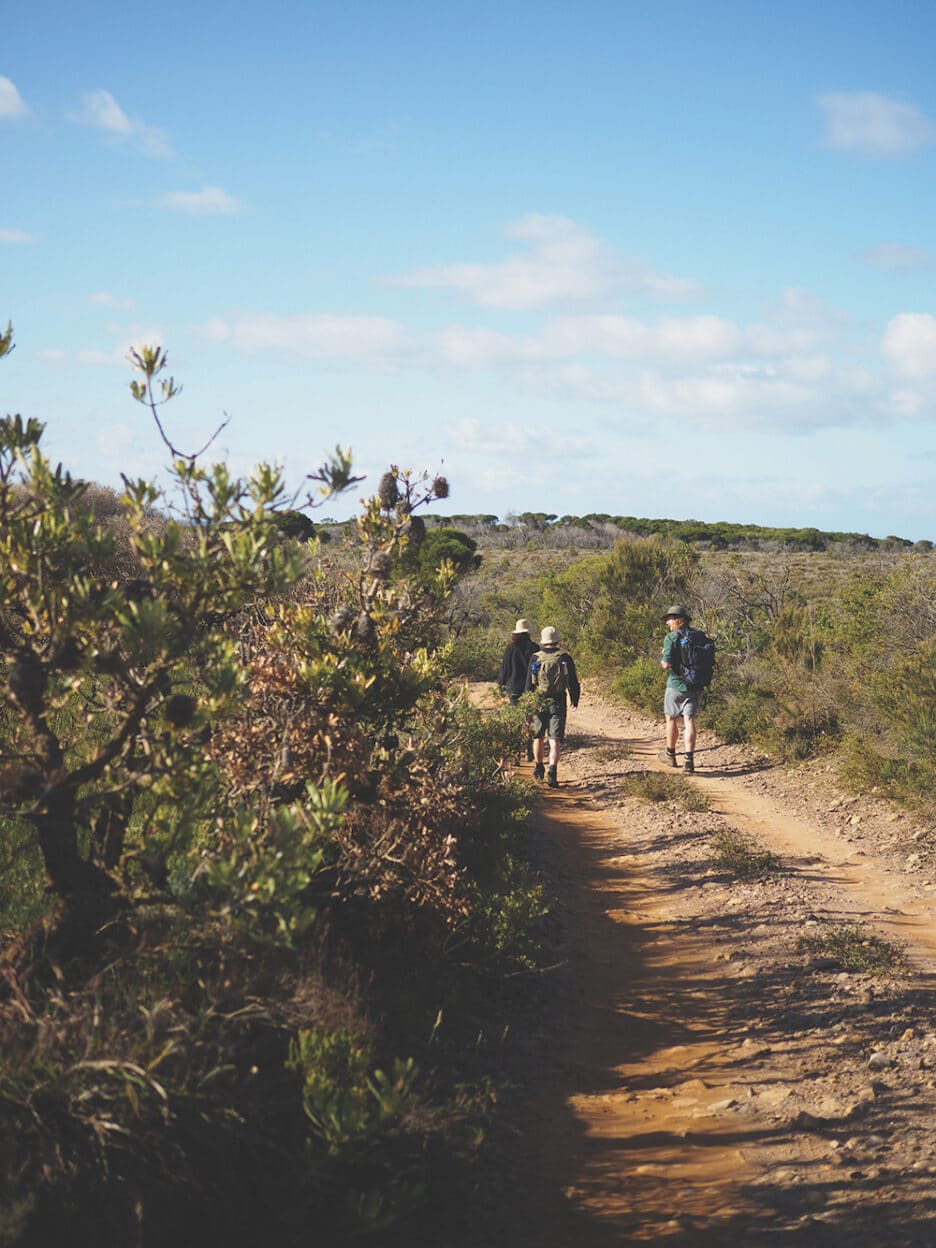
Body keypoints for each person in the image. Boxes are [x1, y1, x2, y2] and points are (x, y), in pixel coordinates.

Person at [525, 625, 580, 788]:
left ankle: (538, 767)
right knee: (554, 739)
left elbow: (529, 684)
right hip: (558, 701)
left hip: (538, 701)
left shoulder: (535, 657)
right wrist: (574, 699)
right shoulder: (565, 658)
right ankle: (553, 772)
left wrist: (527, 705)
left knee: (538, 737)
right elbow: (573, 682)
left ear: (543, 641)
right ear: (557, 640)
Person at [659, 604, 697, 773]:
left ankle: (670, 755)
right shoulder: (697, 636)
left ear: (677, 620)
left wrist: (664, 656)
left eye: (670, 618)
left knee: (671, 718)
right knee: (689, 720)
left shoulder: (672, 637)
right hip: (695, 685)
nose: (667, 621)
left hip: (676, 685)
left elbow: (666, 664)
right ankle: (689, 760)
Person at [498, 618, 538, 761]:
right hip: (530, 689)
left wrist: (501, 685)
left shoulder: (510, 648)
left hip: (513, 687)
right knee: (529, 720)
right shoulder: (534, 648)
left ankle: (516, 754)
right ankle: (529, 751)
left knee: (515, 721)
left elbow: (504, 668)